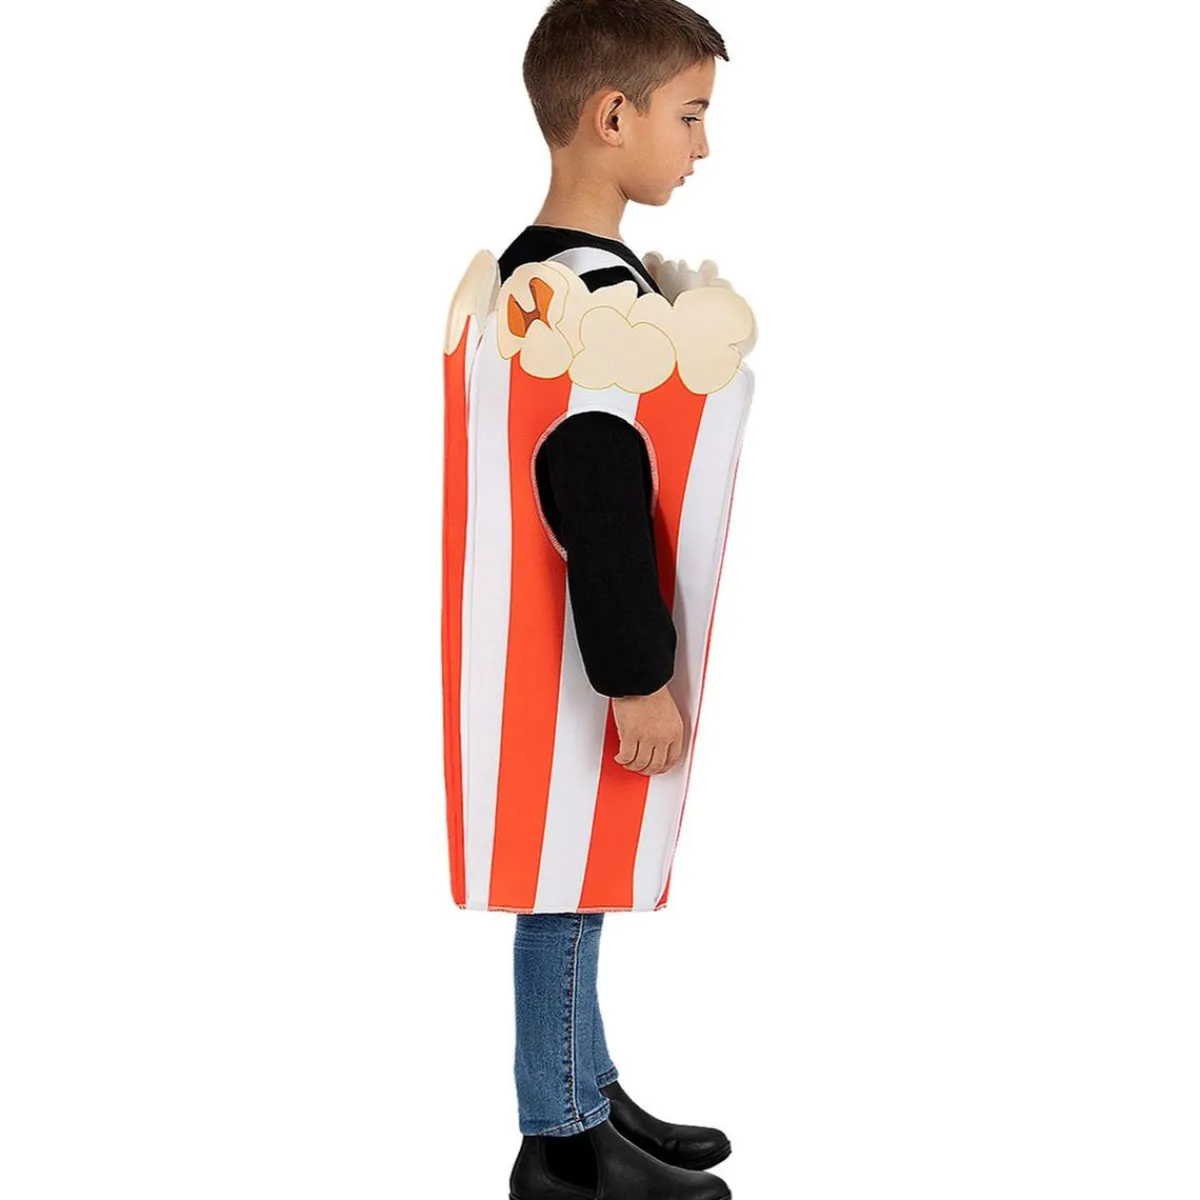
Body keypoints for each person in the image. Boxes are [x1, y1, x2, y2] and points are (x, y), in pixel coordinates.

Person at [493, 4, 742, 1198]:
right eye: (688, 116)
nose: (702, 146)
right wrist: (637, 673)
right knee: (563, 888)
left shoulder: (536, 274)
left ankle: (591, 1089)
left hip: (560, 647)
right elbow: (596, 485)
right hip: (588, 654)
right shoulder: (588, 298)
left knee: (579, 882)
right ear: (610, 116)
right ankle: (563, 1141)